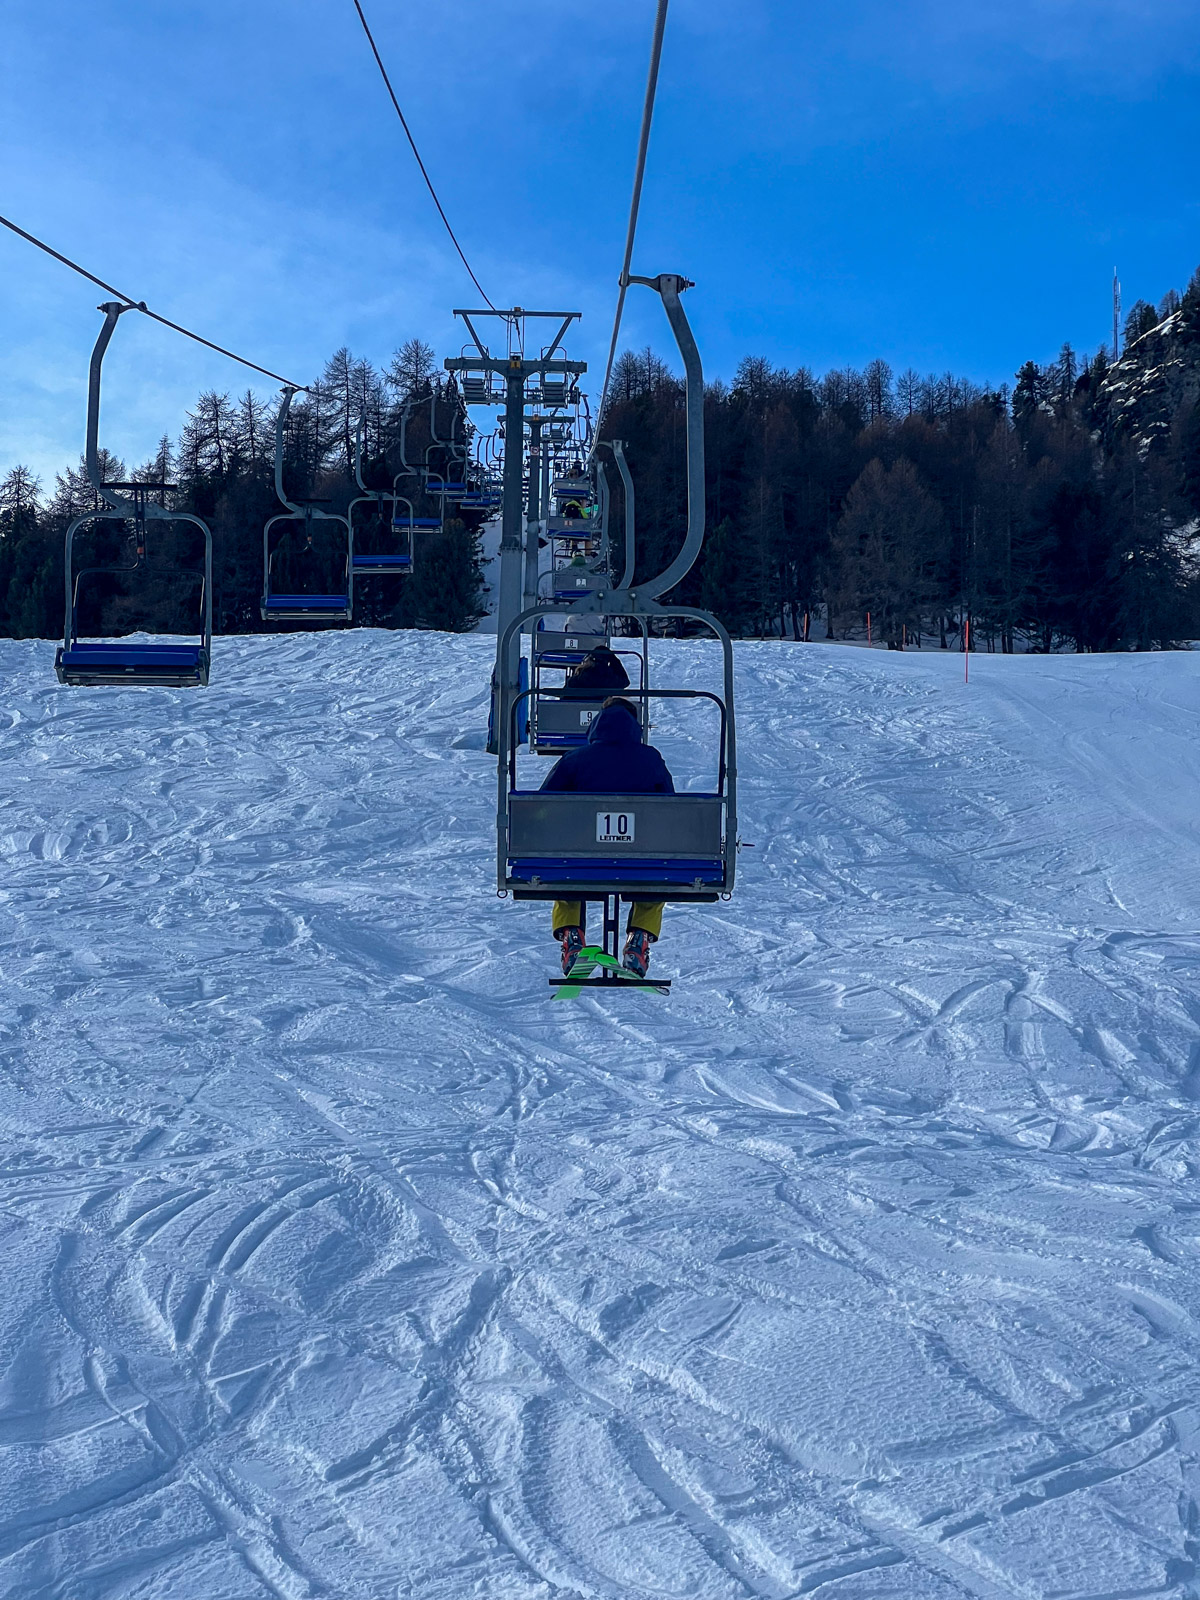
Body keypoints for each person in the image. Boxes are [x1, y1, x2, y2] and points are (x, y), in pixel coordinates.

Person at [540, 696, 673, 979]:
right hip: (639, 860)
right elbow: (670, 810)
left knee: (563, 867)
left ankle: (572, 933)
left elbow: (542, 807)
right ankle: (640, 935)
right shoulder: (651, 759)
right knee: (658, 870)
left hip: (581, 861)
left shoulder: (574, 759)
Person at [563, 646, 629, 695]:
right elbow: (625, 681)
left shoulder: (577, 677)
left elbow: (563, 696)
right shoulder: (610, 679)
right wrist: (614, 660)